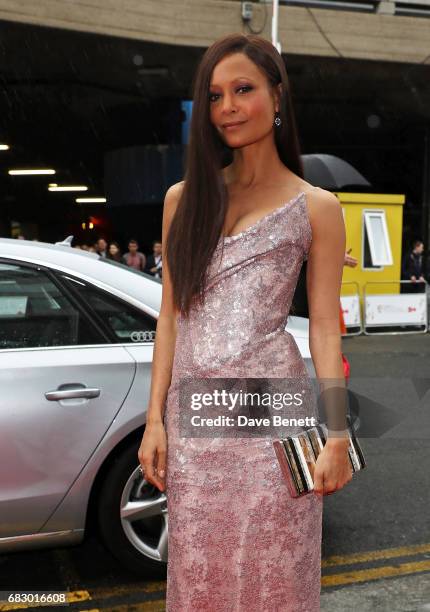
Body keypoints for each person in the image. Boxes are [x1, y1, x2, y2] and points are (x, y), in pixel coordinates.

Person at [138, 33, 351, 611]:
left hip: (275, 422)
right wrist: (154, 421)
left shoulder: (318, 208)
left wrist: (336, 435)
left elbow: (325, 331)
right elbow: (170, 319)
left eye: (242, 90)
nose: (226, 107)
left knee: (275, 577)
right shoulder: (183, 199)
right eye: (214, 96)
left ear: (277, 97)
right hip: (195, 425)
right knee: (200, 576)